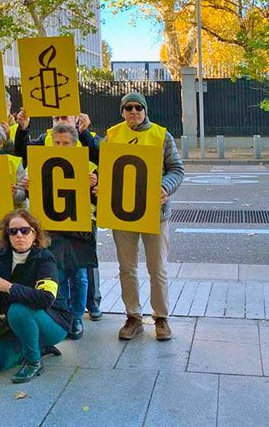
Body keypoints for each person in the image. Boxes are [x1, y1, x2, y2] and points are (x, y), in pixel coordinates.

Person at [105, 92, 184, 341]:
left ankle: (161, 318)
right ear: (122, 111)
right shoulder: (113, 134)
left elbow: (177, 169)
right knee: (126, 268)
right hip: (122, 213)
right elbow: (105, 166)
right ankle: (133, 317)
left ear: (145, 110)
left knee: (157, 267)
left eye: (138, 107)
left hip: (155, 213)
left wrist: (165, 187)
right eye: (128, 108)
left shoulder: (162, 135)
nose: (133, 112)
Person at [13, 109, 104, 320]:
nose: (61, 147)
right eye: (58, 143)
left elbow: (100, 199)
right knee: (58, 274)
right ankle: (64, 317)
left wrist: (94, 186)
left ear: (74, 144)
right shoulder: (42, 165)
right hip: (53, 226)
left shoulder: (89, 165)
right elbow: (39, 196)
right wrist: (28, 187)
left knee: (80, 276)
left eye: (66, 143)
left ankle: (77, 318)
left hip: (80, 227)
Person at [0, 208, 70, 383]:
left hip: (53, 321)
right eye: (13, 231)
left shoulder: (45, 259)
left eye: (25, 230)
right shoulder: (0, 258)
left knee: (18, 310)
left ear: (35, 233)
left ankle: (34, 362)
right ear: (7, 236)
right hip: (15, 322)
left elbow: (46, 298)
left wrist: (10, 287)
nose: (19, 235)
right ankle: (35, 345)